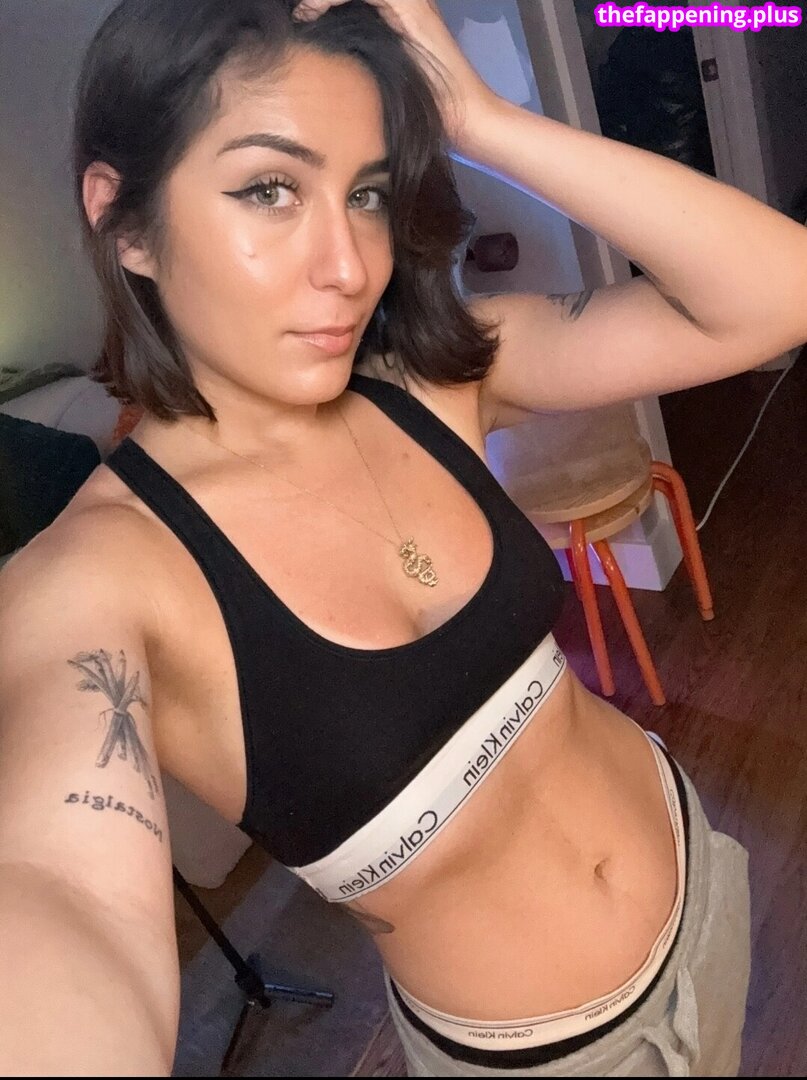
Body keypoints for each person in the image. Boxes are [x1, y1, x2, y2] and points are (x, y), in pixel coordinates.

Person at [2, 0, 804, 1074]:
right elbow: (61, 893)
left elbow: (777, 294)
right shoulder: (93, 577)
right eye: (270, 189)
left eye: (367, 193)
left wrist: (479, 117)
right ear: (124, 222)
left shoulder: (430, 383)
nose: (348, 265)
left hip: (702, 888)